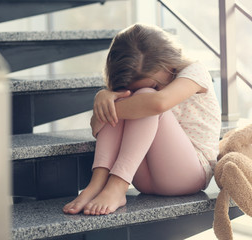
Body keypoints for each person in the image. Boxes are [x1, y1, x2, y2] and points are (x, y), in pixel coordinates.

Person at [63, 23, 221, 216]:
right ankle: (97, 183)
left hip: (189, 174)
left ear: (169, 64)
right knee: (127, 99)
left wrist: (103, 109)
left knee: (145, 100)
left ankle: (118, 185)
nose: (155, 88)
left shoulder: (195, 71)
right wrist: (106, 98)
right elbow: (101, 125)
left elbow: (158, 103)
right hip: (144, 177)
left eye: (156, 84)